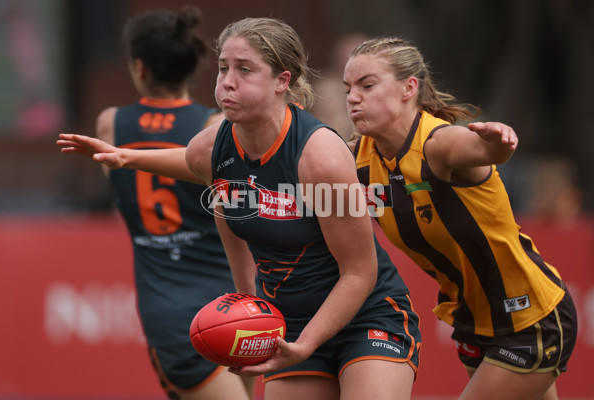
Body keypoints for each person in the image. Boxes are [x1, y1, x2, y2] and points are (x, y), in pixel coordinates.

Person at [58, 17, 421, 400]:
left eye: (244, 69)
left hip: (366, 317)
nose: (227, 81)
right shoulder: (217, 146)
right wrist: (124, 158)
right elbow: (189, 162)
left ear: (282, 81)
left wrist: (307, 343)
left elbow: (359, 273)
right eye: (223, 68)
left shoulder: (320, 157)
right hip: (289, 326)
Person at [343, 37, 578, 400]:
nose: (352, 98)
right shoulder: (357, 158)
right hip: (473, 323)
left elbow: (485, 149)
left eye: (367, 85)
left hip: (531, 318)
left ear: (409, 88)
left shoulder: (438, 144)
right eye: (349, 88)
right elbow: (303, 177)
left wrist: (498, 141)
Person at [92, 7, 254, 400]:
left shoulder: (110, 125)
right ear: (190, 66)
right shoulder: (216, 128)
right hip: (237, 303)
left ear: (140, 68)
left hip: (170, 313)